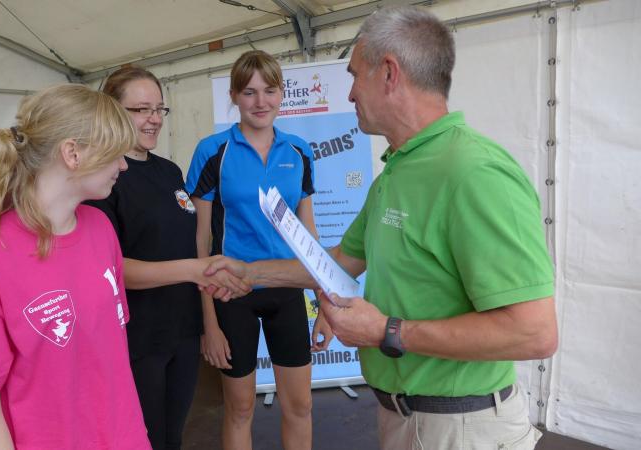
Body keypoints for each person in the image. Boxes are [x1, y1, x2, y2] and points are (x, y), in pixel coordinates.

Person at [204, 6, 558, 450]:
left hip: (461, 428)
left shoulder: (474, 172)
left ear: (389, 74)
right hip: (405, 417)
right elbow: (336, 262)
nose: (351, 93)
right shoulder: (398, 170)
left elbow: (534, 332)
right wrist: (248, 273)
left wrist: (387, 331)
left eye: (355, 76)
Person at [0, 84, 151, 449]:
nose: (123, 165)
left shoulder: (101, 229)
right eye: (115, 153)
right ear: (73, 153)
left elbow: (107, 358)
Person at [85, 66, 248, 450]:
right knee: (144, 439)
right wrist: (195, 270)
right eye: (142, 109)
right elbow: (111, 270)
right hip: (137, 338)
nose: (155, 118)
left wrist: (206, 321)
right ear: (112, 111)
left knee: (172, 437)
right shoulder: (103, 180)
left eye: (159, 109)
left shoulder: (170, 171)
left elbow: (189, 246)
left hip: (182, 332)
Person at [185, 50, 333, 450]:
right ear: (234, 96)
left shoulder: (299, 151)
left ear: (282, 93)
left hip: (287, 289)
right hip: (232, 294)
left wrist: (325, 304)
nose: (260, 101)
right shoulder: (212, 151)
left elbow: (309, 236)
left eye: (269, 90)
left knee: (300, 406)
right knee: (240, 409)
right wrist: (209, 324)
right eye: (249, 92)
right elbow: (199, 242)